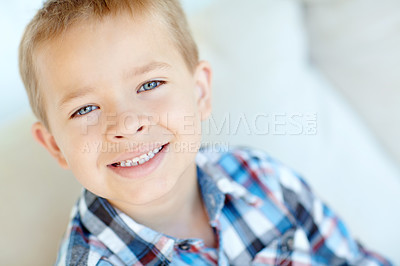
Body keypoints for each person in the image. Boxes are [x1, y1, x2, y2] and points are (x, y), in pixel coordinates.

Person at [18, 0, 392, 265]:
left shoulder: (260, 177)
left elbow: (352, 258)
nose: (127, 124)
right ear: (55, 146)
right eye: (85, 108)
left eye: (149, 85)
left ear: (199, 93)